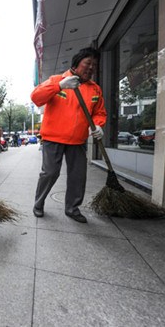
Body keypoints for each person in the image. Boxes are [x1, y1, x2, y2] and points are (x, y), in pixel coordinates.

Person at [31, 47, 107, 223]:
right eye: (88, 63)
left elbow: (99, 113)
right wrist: (59, 86)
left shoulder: (95, 89)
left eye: (94, 65)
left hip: (78, 140)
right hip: (53, 138)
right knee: (50, 173)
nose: (90, 68)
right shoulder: (57, 80)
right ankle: (38, 203)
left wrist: (98, 125)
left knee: (78, 176)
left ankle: (72, 208)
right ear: (77, 62)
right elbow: (36, 97)